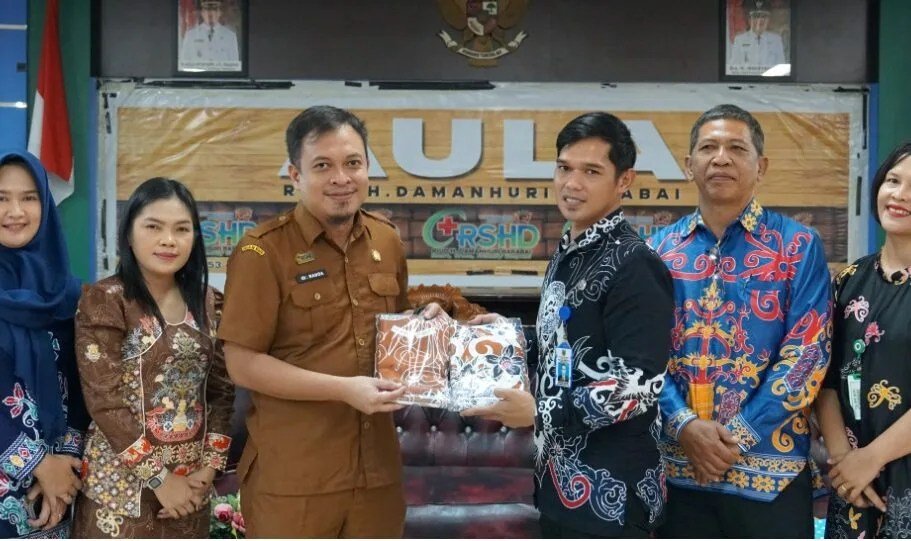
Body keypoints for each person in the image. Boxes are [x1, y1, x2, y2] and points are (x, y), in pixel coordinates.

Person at [455, 112, 675, 538]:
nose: (572, 184)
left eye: (591, 171)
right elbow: (566, 344)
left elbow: (638, 386)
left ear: (624, 180)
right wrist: (509, 336)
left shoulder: (635, 263)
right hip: (558, 483)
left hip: (613, 496)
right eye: (564, 168)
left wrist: (539, 412)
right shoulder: (571, 251)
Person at [218, 106, 412, 538]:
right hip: (294, 480)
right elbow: (242, 364)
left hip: (377, 475)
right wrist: (343, 390)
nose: (341, 178)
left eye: (353, 163)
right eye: (323, 166)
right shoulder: (261, 252)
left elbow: (394, 336)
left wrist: (428, 327)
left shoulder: (387, 240)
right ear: (296, 174)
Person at [647, 104, 832, 538]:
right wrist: (684, 425)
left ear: (760, 166)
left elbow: (808, 352)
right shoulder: (657, 251)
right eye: (708, 148)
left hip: (772, 475)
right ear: (688, 164)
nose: (721, 158)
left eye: (736, 148)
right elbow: (643, 353)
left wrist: (738, 437)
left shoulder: (797, 245)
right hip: (677, 470)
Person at [72, 178, 234, 538]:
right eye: (153, 227)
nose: (169, 240)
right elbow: (105, 401)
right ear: (129, 235)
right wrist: (160, 479)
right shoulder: (106, 300)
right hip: (119, 492)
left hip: (189, 490)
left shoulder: (211, 302)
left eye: (182, 229)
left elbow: (222, 392)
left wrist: (207, 471)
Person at [817, 142, 911, 538]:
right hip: (853, 484)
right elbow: (824, 378)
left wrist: (872, 457)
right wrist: (845, 461)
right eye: (893, 181)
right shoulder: (848, 280)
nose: (900, 195)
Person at [0, 150, 87, 537]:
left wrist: (64, 466)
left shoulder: (69, 294)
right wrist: (37, 463)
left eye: (29, 197)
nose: (15, 211)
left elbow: (82, 383)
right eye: (1, 198)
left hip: (54, 493)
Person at [728, 0, 786, 74]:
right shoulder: (739, 40)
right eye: (755, 16)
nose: (760, 20)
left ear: (769, 19)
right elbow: (733, 69)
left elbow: (782, 69)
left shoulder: (776, 40)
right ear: (749, 19)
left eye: (764, 16)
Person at [178, 0, 240, 69]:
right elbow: (184, 64)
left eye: (214, 10)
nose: (210, 14)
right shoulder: (191, 35)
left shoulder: (230, 36)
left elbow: (234, 66)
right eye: (207, 10)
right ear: (202, 13)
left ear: (220, 13)